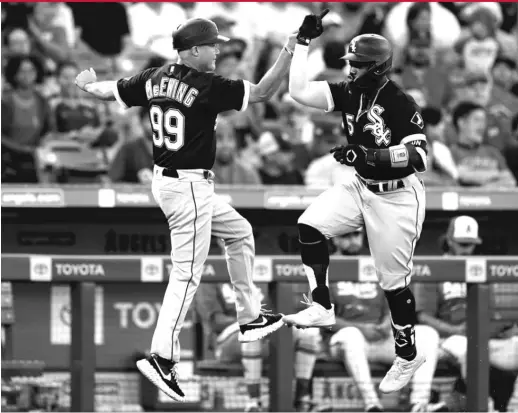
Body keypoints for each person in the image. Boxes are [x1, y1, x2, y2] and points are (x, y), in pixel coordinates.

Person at [75, 17, 297, 402]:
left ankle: (250, 316)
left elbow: (107, 91)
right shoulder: (205, 84)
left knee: (240, 232)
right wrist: (291, 49)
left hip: (170, 181)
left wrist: (86, 85)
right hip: (188, 185)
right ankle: (162, 357)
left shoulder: (154, 76)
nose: (218, 51)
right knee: (186, 276)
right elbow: (262, 93)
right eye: (213, 46)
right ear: (194, 50)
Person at [282, 12, 429, 396]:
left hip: (397, 196)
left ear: (378, 68)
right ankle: (322, 305)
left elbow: (419, 157)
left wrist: (367, 156)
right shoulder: (349, 91)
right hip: (359, 185)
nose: (351, 70)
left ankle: (407, 353)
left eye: (359, 65)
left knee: (393, 285)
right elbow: (297, 91)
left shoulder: (398, 100)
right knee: (309, 225)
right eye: (351, 63)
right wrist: (301, 43)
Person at [415, 215, 518, 412]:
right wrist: (453, 329)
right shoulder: (434, 268)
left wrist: (505, 328)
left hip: (482, 336)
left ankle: (510, 406)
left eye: (470, 244)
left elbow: (492, 312)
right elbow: (423, 316)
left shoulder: (482, 268)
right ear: (449, 241)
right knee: (470, 350)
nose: (466, 249)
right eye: (462, 244)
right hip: (451, 339)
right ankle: (482, 407)